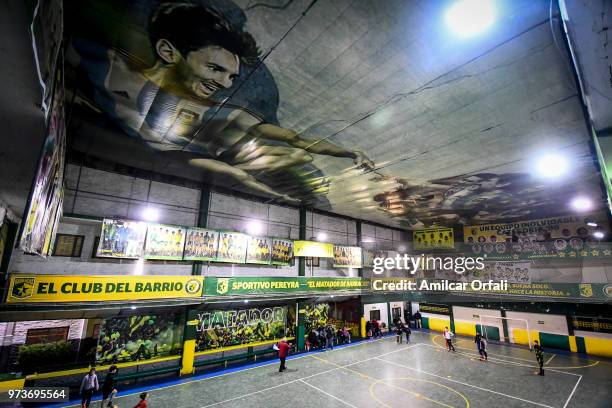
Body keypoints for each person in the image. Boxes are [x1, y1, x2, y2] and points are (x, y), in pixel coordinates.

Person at [76, 3, 374, 204]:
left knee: (257, 169)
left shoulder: (219, 115)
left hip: (177, 156)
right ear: (168, 51)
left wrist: (349, 152)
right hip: (130, 148)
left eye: (231, 76)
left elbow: (296, 139)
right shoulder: (111, 70)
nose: (224, 84)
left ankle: (288, 202)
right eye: (215, 69)